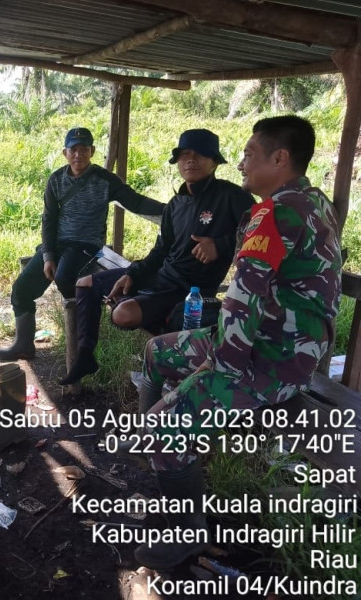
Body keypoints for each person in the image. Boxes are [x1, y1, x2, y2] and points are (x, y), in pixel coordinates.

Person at [131, 116, 342, 571]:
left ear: (279, 159)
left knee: (161, 427)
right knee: (157, 351)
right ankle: (165, 465)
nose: (241, 163)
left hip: (273, 358)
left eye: (248, 154)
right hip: (272, 341)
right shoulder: (312, 200)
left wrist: (218, 369)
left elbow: (243, 298)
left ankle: (187, 532)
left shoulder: (275, 213)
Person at [59, 129, 255, 385]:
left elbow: (261, 234)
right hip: (161, 276)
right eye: (184, 154)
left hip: (189, 291)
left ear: (215, 161)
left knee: (122, 314)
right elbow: (161, 250)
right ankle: (85, 356)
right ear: (177, 161)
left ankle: (151, 314)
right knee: (85, 283)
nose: (191, 160)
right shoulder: (176, 204)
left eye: (200, 154)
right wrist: (132, 274)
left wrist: (221, 245)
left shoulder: (232, 197)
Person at [0, 127, 165, 360]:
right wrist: (48, 256)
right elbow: (48, 220)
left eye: (84, 149)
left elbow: (136, 202)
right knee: (21, 288)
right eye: (73, 149)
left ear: (92, 151)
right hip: (58, 243)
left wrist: (170, 209)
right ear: (65, 152)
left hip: (86, 244)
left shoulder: (105, 180)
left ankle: (82, 339)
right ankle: (23, 345)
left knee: (64, 278)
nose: (78, 155)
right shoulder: (56, 180)